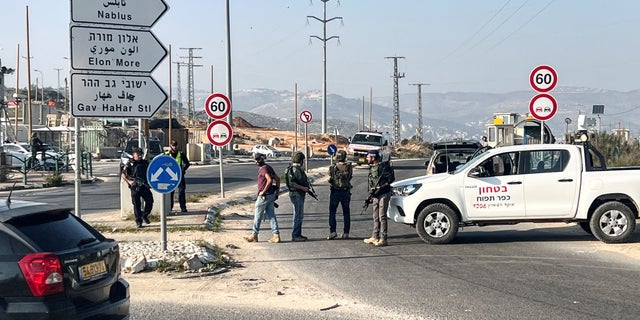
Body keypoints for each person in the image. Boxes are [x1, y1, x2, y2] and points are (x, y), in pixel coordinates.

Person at [243, 153, 281, 243]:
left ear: (262, 159)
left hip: (264, 196)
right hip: (271, 195)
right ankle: (276, 235)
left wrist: (263, 191)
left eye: (258, 159)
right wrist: (277, 193)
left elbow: (270, 180)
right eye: (255, 160)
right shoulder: (268, 167)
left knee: (257, 215)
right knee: (271, 215)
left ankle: (254, 235)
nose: (256, 161)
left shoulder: (264, 169)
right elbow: (278, 179)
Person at [364, 149, 395, 247]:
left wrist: (381, 187)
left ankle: (383, 238)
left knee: (382, 216)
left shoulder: (382, 167)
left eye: (368, 157)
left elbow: (391, 179)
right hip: (376, 195)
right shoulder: (372, 167)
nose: (367, 158)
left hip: (384, 194)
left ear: (373, 157)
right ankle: (375, 236)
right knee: (375, 216)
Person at [121, 147, 154, 228]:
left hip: (144, 185)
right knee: (137, 204)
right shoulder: (130, 163)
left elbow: (151, 172)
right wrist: (130, 181)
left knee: (150, 201)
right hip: (135, 186)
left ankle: (145, 215)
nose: (139, 156)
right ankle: (138, 221)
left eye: (140, 154)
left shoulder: (145, 163)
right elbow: (123, 174)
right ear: (134, 155)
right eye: (137, 154)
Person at [285, 151, 311, 242]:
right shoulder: (296, 170)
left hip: (296, 194)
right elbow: (293, 183)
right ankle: (295, 235)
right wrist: (303, 188)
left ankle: (298, 234)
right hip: (297, 195)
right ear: (301, 161)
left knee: (299, 215)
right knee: (298, 215)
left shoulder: (293, 169)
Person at [327, 150, 353, 240]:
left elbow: (330, 177)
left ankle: (333, 232)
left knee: (332, 212)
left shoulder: (332, 167)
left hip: (335, 192)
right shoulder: (349, 167)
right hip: (345, 192)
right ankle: (346, 233)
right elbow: (350, 177)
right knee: (346, 213)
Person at [166, 140, 190, 213]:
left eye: (175, 145)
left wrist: (183, 169)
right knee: (170, 192)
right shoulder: (167, 154)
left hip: (179, 175)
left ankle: (183, 207)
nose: (174, 147)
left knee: (181, 191)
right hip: (170, 176)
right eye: (173, 146)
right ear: (170, 146)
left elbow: (187, 163)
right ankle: (170, 207)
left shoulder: (181, 154)